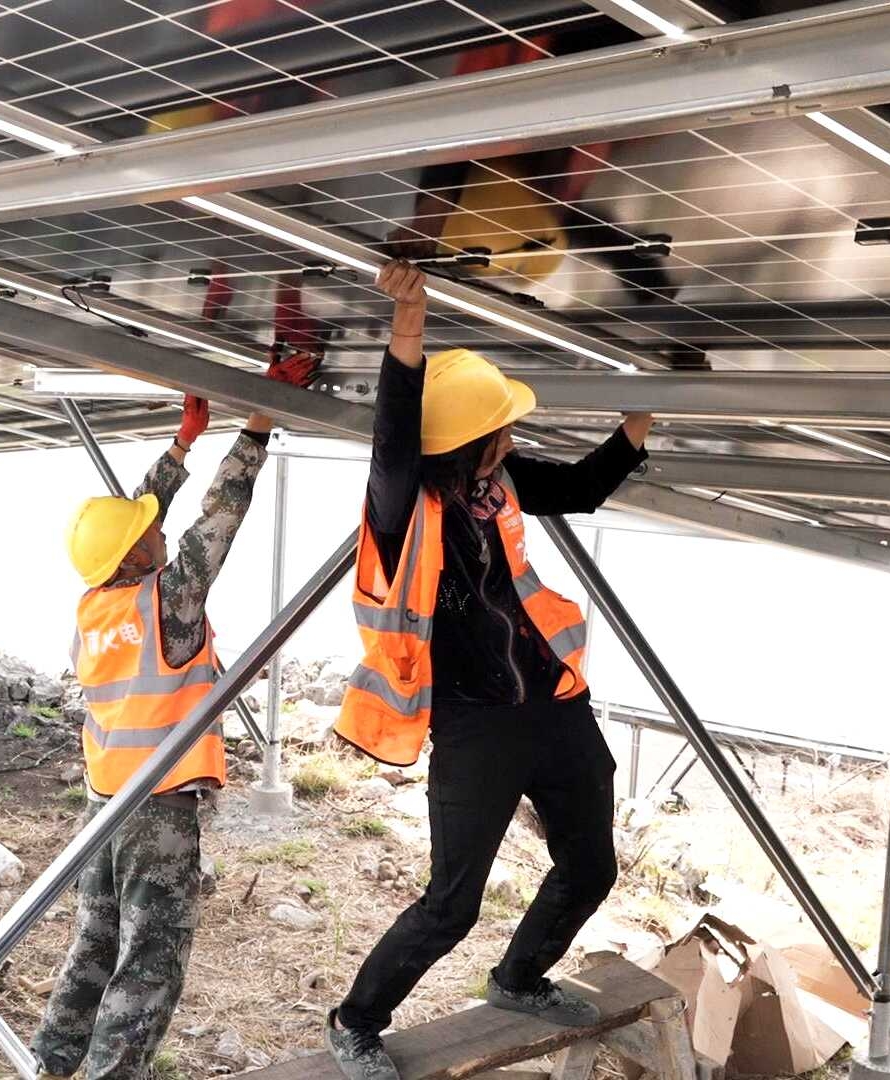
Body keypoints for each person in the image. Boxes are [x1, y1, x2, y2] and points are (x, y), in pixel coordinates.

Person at [323, 260, 654, 1080]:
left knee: (590, 866)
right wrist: (408, 325)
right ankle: (356, 1021)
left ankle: (519, 979)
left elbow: (580, 487)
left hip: (554, 704)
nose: (511, 438)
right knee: (451, 904)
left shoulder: (495, 481)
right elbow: (393, 433)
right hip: (474, 722)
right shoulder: (401, 505)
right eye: (501, 428)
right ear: (467, 441)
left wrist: (639, 421)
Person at [32, 349, 319, 1080]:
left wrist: (180, 445)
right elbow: (219, 518)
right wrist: (257, 422)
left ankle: (52, 1063)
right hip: (156, 809)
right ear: (138, 553)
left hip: (102, 800)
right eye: (147, 530)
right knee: (149, 964)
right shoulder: (169, 599)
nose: (157, 527)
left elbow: (131, 528)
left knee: (94, 944)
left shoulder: (96, 604)